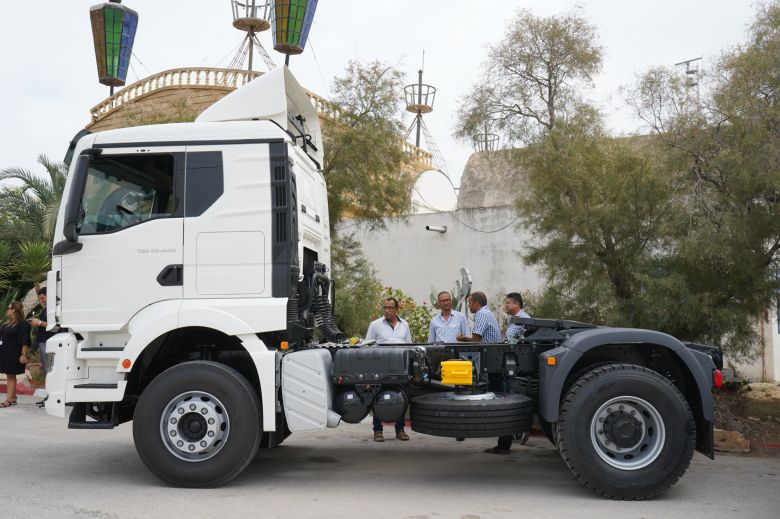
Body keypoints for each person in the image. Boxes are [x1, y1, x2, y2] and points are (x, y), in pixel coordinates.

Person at [365, 297, 411, 442]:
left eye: (390, 308)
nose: (387, 310)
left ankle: (400, 430)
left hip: (400, 367)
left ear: (397, 309)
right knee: (377, 397)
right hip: (380, 368)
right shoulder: (375, 325)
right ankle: (378, 431)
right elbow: (368, 346)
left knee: (402, 397)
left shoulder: (405, 325)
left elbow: (409, 346)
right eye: (385, 307)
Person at [0, 301, 31, 408]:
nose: (7, 310)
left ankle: (8, 400)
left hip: (14, 353)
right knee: (9, 375)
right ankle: (13, 398)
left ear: (13, 310)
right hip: (5, 353)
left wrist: (23, 354)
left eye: (8, 308)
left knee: (11, 376)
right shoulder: (7, 323)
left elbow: (25, 340)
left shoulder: (23, 324)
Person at [29, 287, 56, 407]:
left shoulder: (53, 310)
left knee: (50, 372)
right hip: (43, 343)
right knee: (46, 371)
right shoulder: (46, 310)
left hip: (49, 343)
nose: (42, 300)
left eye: (43, 298)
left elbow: (57, 327)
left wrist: (39, 323)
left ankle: (52, 398)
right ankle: (48, 397)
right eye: (40, 298)